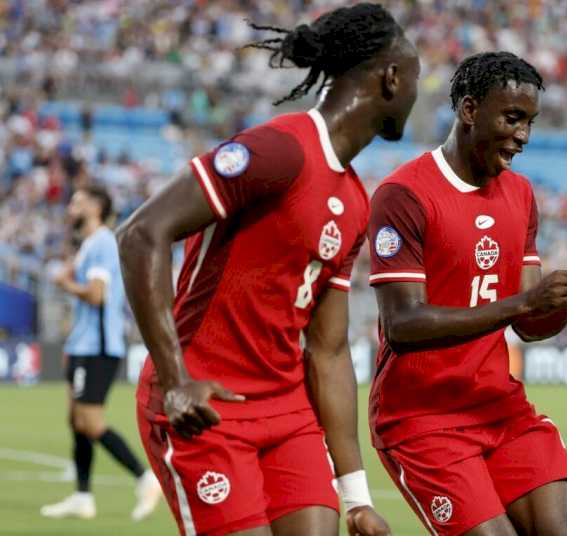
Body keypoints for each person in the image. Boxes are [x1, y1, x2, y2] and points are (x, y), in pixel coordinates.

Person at [116, 4, 419, 535]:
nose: (418, 94)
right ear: (392, 78)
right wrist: (175, 379)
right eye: (417, 78)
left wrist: (356, 498)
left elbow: (327, 351)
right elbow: (142, 233)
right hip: (206, 405)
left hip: (287, 412)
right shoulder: (281, 149)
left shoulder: (354, 201)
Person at [367, 52, 567, 536]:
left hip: (499, 406)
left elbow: (529, 325)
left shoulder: (520, 193)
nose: (523, 136)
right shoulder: (404, 194)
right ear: (470, 110)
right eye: (513, 118)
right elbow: (403, 327)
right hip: (422, 418)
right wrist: (528, 303)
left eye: (530, 122)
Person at [41, 184, 162, 521]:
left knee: (90, 422)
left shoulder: (103, 243)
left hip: (96, 347)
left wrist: (66, 284)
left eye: (76, 200)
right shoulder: (91, 245)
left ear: (95, 207)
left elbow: (97, 295)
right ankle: (82, 497)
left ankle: (145, 478)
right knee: (75, 419)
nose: (70, 206)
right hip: (83, 344)